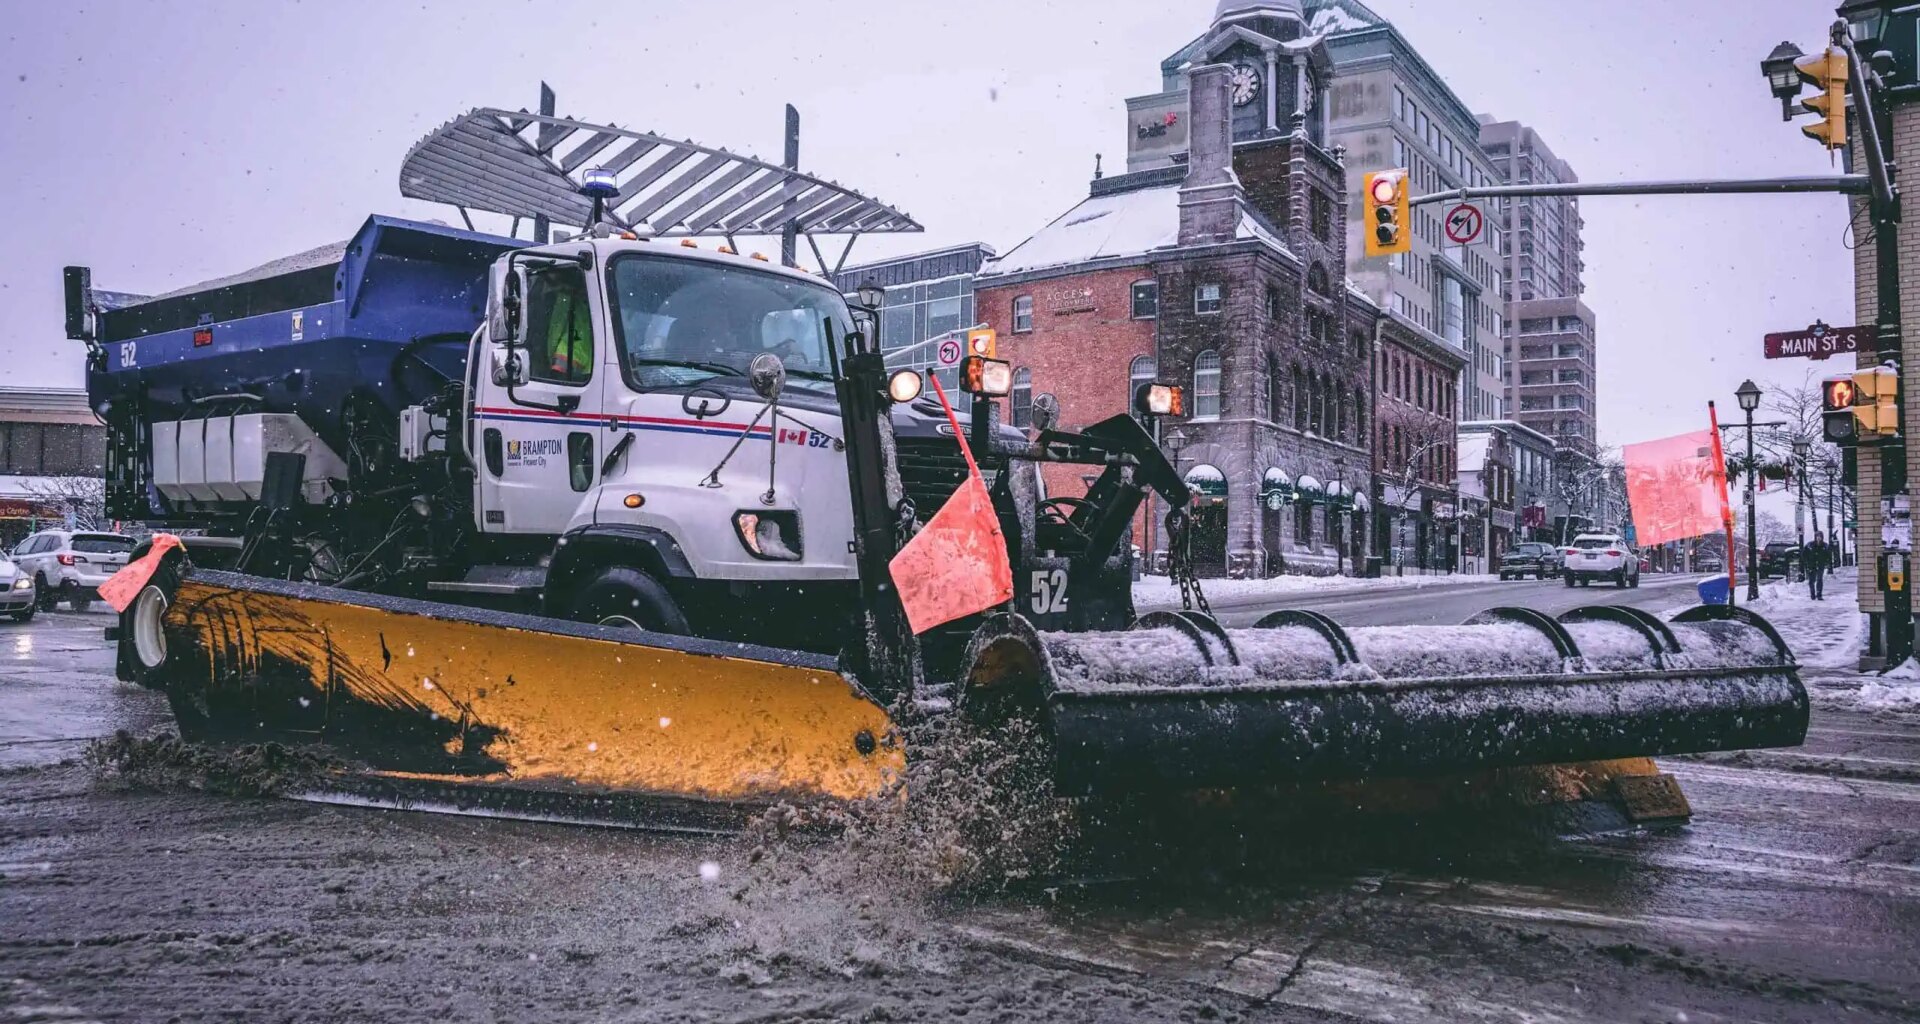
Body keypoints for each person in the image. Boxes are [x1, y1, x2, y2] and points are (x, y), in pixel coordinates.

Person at [1804, 532, 1829, 600]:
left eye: (1820, 536)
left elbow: (1828, 555)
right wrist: (1807, 563)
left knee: (1819, 579)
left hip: (1820, 565)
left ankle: (1819, 594)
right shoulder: (1809, 545)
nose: (1818, 538)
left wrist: (1826, 562)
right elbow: (1804, 554)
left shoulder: (1825, 546)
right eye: (1817, 536)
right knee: (1811, 580)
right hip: (1811, 565)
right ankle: (1812, 594)